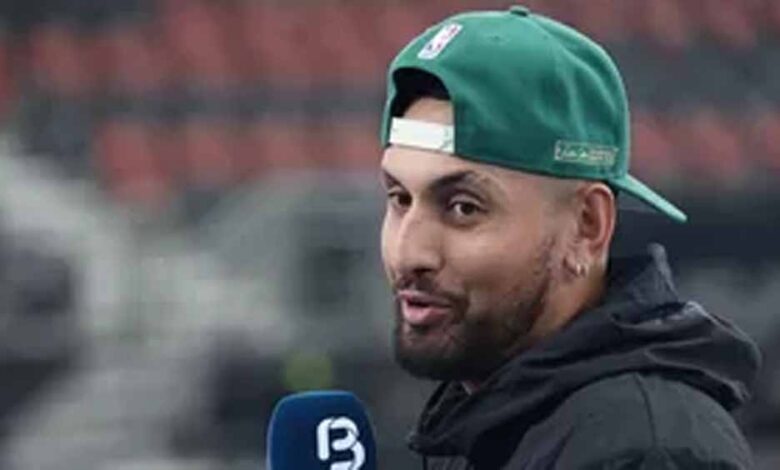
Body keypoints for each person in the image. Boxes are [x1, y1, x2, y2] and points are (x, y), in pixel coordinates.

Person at [377, 6, 761, 469]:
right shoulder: (483, 415)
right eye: (400, 199)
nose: (409, 252)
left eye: (463, 208)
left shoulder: (643, 452)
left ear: (587, 226)